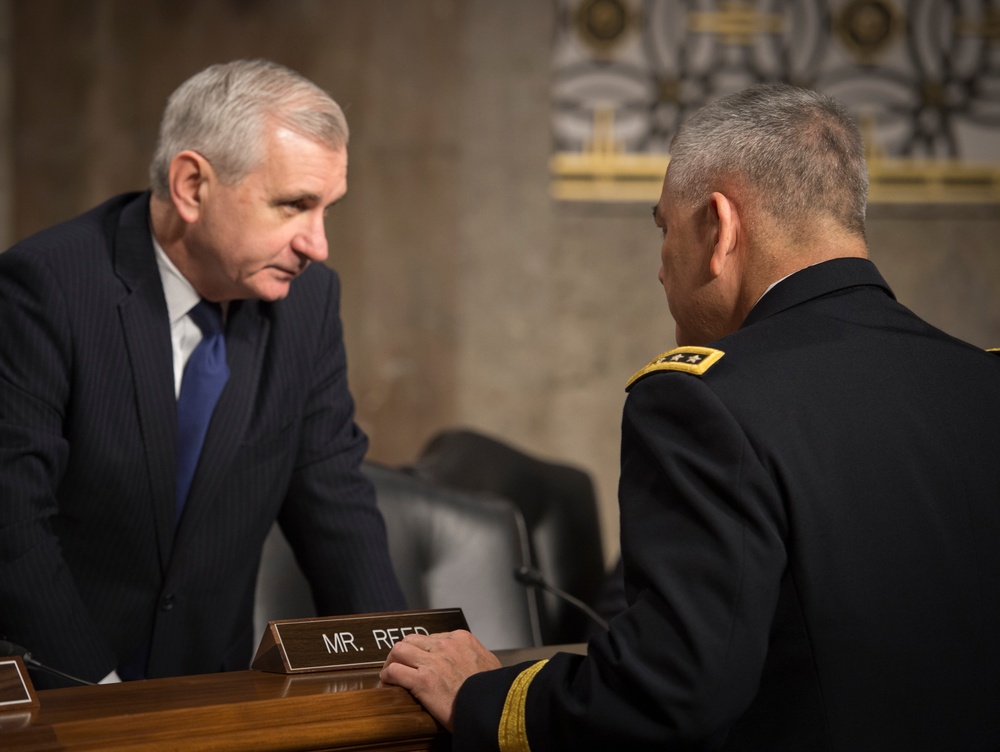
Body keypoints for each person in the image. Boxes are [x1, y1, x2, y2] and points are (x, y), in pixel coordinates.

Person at [380, 84, 1000, 750]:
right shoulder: (983, 378)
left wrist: (483, 696)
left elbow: (670, 695)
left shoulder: (708, 399)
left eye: (663, 229)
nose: (659, 269)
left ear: (719, 226)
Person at [0, 59, 406, 688]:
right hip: (58, 694)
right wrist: (99, 706)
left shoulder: (309, 302)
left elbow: (336, 502)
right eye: (295, 205)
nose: (317, 244)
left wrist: (406, 671)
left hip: (208, 693)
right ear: (192, 185)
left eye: (327, 209)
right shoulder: (45, 287)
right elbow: (13, 524)